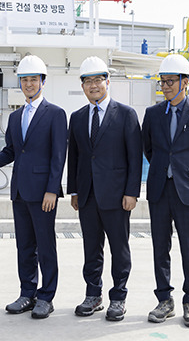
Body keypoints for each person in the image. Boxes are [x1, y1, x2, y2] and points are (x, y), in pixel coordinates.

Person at [0, 54, 67, 319]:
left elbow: (59, 156)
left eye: (33, 79)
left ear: (42, 82)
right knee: (25, 246)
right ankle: (28, 293)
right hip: (20, 192)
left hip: (43, 193)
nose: (29, 84)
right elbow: (11, 151)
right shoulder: (15, 117)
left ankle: (46, 297)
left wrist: (52, 189)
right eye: (24, 80)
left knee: (46, 246)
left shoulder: (56, 114)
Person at [142, 54, 189, 328]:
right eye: (163, 82)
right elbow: (148, 149)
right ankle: (164, 300)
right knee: (160, 246)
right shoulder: (152, 114)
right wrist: (166, 169)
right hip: (160, 189)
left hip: (188, 190)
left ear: (186, 82)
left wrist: (188, 171)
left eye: (171, 81)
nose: (166, 86)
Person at [67, 56, 143, 321]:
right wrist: (74, 191)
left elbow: (135, 156)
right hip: (87, 196)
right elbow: (74, 157)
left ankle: (119, 297)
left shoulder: (125, 114)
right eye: (88, 81)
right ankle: (93, 294)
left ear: (107, 82)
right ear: (83, 86)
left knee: (119, 248)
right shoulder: (77, 118)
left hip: (117, 196)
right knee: (91, 248)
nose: (93, 85)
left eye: (98, 80)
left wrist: (132, 192)